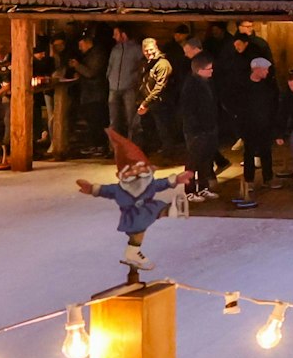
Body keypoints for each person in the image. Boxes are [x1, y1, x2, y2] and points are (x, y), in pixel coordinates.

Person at [76, 128, 191, 270]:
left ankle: (170, 212)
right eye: (132, 172)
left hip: (147, 208)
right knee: (139, 231)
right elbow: (105, 190)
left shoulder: (149, 183)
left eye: (140, 171)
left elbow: (161, 184)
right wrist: (92, 189)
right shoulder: (119, 189)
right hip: (132, 215)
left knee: (155, 212)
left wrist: (176, 179)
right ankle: (133, 252)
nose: (137, 175)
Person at [176, 55, 222, 201]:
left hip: (209, 128)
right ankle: (189, 191)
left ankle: (203, 188)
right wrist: (196, 128)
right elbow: (188, 110)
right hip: (196, 130)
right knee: (193, 161)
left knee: (206, 160)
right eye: (208, 69)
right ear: (199, 70)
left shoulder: (208, 82)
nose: (212, 71)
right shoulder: (190, 86)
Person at [236, 57, 281, 191]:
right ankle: (249, 180)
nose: (268, 72)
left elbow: (274, 104)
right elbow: (239, 107)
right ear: (257, 69)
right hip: (249, 125)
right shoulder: (243, 86)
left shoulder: (268, 85)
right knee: (249, 153)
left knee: (266, 152)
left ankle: (268, 178)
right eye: (265, 69)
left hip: (265, 125)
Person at [133, 37, 174, 152]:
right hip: (149, 102)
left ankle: (168, 153)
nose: (149, 53)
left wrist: (146, 103)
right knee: (151, 128)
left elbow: (160, 87)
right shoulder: (146, 63)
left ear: (156, 48)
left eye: (151, 49)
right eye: (146, 50)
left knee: (163, 128)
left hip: (160, 102)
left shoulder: (163, 64)